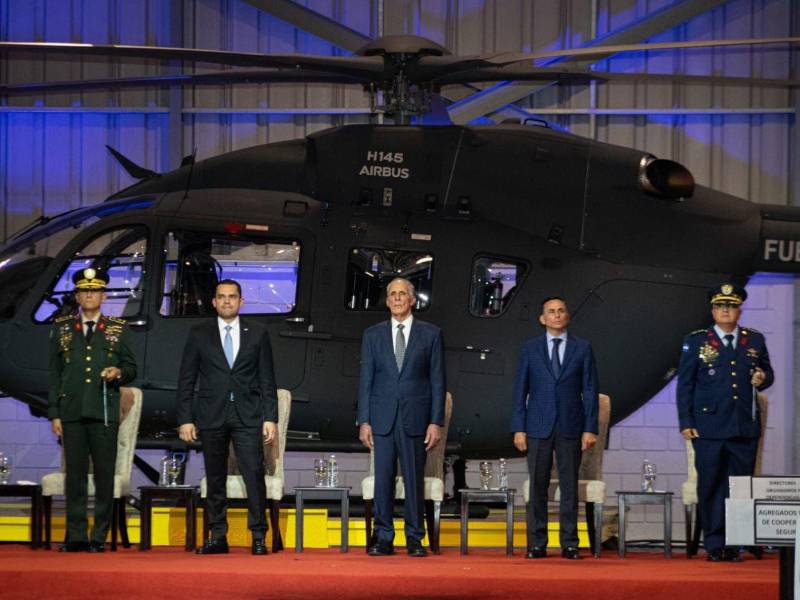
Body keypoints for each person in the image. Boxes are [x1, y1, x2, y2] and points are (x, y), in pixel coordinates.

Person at [177, 279, 278, 555]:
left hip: (248, 414)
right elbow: (186, 379)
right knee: (215, 477)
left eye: (232, 297)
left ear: (241, 302)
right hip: (211, 414)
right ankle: (218, 536)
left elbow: (267, 378)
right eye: (221, 297)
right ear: (214, 301)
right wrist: (185, 418)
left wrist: (271, 418)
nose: (226, 301)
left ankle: (259, 535)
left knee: (254, 475)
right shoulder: (199, 333)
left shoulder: (258, 333)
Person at [677, 283, 773, 562]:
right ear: (713, 310)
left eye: (731, 306)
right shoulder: (696, 341)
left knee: (740, 487)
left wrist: (762, 378)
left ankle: (736, 543)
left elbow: (768, 373)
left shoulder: (754, 340)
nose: (725, 311)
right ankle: (715, 544)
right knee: (710, 485)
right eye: (720, 306)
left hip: (743, 426)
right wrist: (686, 421)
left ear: (739, 309)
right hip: (707, 427)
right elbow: (686, 385)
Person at [48, 267, 137, 552]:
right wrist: (54, 413)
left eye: (95, 290)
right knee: (73, 477)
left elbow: (132, 368)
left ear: (104, 295)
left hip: (103, 413)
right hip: (72, 412)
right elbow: (54, 374)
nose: (89, 295)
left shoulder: (117, 329)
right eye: (84, 291)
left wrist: (118, 372)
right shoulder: (62, 329)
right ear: (76, 296)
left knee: (103, 476)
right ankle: (75, 536)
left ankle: (99, 536)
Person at [357, 277, 445, 557]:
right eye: (392, 294)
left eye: (402, 294)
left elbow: (437, 382)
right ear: (387, 300)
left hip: (416, 418)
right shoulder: (372, 335)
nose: (396, 298)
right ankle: (384, 537)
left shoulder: (431, 334)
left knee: (413, 480)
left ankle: (415, 538)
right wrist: (364, 420)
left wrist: (435, 421)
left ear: (412, 300)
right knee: (382, 480)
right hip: (381, 419)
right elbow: (366, 381)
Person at [511, 297, 599, 560]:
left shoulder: (582, 348)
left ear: (567, 317)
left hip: (571, 424)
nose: (557, 315)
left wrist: (590, 428)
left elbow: (591, 390)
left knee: (569, 486)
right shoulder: (530, 349)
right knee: (538, 485)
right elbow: (520, 391)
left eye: (561, 311)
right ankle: (537, 542)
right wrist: (518, 427)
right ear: (542, 318)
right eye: (551, 312)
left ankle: (569, 543)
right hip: (537, 425)